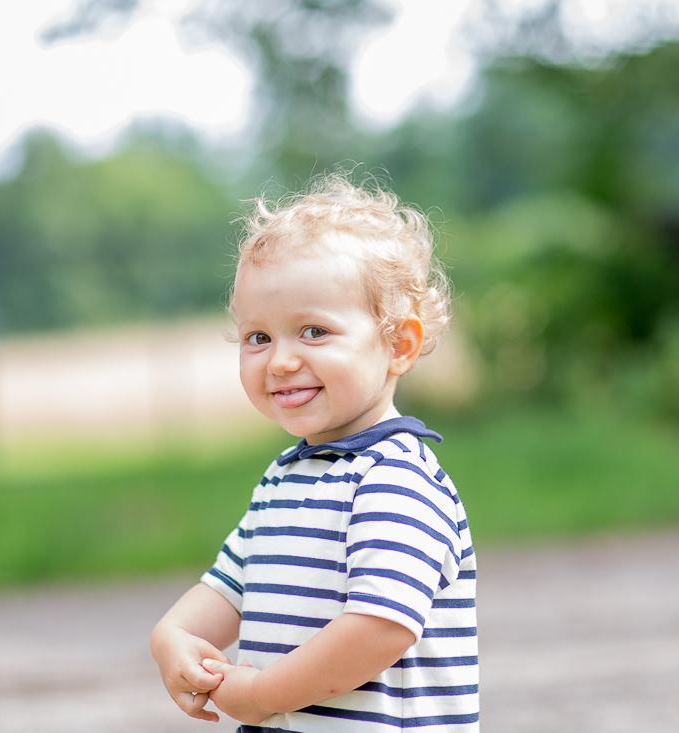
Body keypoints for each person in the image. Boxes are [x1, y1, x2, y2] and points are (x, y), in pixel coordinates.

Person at [149, 173, 479, 732]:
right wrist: (174, 639)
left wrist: (262, 694)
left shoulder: (394, 478)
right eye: (258, 337)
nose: (279, 361)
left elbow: (380, 627)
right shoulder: (285, 479)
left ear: (398, 345)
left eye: (313, 331)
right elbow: (229, 589)